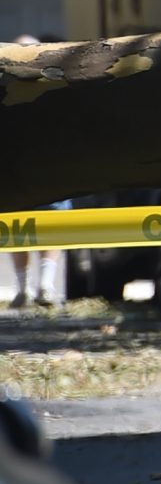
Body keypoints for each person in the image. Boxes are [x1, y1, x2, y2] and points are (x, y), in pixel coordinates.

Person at [7, 36, 70, 312]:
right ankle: (33, 287)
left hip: (32, 172)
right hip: (40, 172)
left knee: (30, 229)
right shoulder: (51, 83)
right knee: (29, 228)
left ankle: (38, 286)